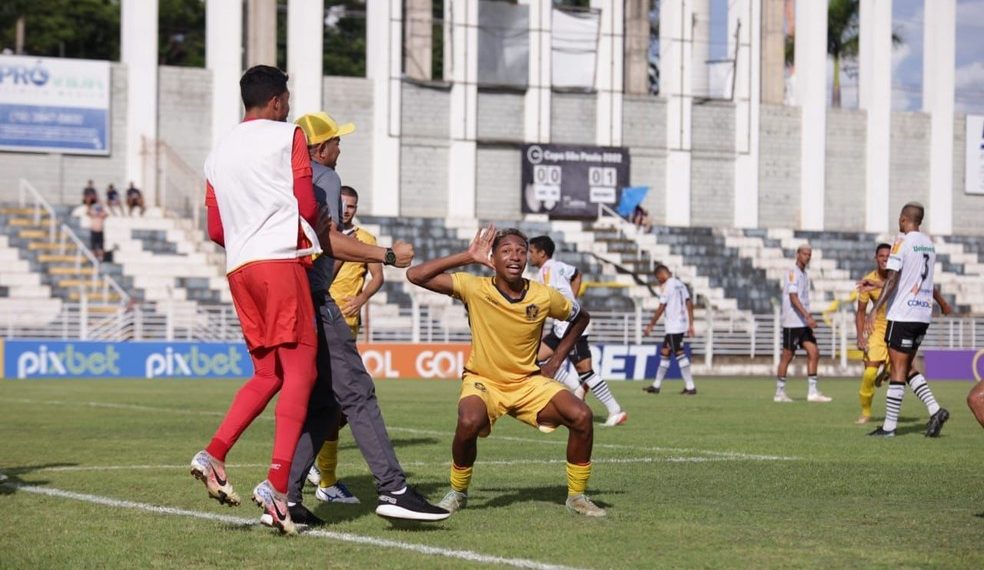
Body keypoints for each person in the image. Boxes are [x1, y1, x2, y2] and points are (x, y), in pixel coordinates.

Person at [282, 111, 449, 525]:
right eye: (337, 141)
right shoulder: (325, 178)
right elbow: (330, 241)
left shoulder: (284, 177)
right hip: (317, 302)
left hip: (289, 298)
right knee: (358, 392)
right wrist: (387, 256)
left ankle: (283, 498)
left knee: (323, 407)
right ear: (320, 148)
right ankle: (393, 489)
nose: (341, 147)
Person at [189, 65, 321, 536]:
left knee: (268, 373)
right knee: (301, 373)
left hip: (240, 268)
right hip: (280, 263)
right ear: (279, 101)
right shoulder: (290, 136)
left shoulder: (216, 154)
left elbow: (216, 230)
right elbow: (306, 206)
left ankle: (214, 454)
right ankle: (277, 486)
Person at [407, 225, 607, 517]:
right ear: (493, 258)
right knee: (468, 421)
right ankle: (458, 492)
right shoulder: (475, 287)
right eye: (506, 251)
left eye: (521, 251)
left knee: (582, 416)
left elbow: (581, 318)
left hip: (528, 383)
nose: (515, 256)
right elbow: (415, 275)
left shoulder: (543, 296)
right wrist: (467, 256)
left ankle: (577, 496)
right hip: (484, 382)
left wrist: (554, 362)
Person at [306, 184, 385, 502]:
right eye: (343, 204)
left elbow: (377, 276)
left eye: (352, 205)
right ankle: (323, 478)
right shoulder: (324, 235)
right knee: (334, 404)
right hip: (322, 321)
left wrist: (362, 298)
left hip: (348, 326)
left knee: (335, 407)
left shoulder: (367, 240)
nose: (348, 209)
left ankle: (314, 467)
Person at [862, 202, 950, 438]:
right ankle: (936, 410)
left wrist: (874, 309)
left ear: (903, 219)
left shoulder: (901, 241)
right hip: (922, 314)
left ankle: (889, 427)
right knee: (907, 366)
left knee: (898, 368)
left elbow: (892, 278)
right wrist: (940, 303)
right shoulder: (929, 244)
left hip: (903, 314)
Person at [527, 235, 627, 426]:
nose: (529, 256)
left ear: (542, 253)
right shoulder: (556, 266)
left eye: (531, 252)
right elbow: (577, 274)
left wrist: (568, 306)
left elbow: (546, 300)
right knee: (534, 358)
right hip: (562, 326)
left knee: (585, 371)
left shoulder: (547, 271)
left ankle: (616, 410)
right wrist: (573, 299)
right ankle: (576, 388)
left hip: (571, 327)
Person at [774, 244, 832, 403]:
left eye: (809, 254)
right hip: (793, 322)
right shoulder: (793, 273)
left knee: (814, 352)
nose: (807, 256)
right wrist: (808, 316)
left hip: (803, 322)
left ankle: (812, 392)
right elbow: (793, 298)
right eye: (805, 253)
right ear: (797, 254)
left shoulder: (804, 274)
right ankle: (779, 392)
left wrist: (807, 317)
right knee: (787, 355)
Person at [642, 264, 697, 395]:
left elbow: (662, 306)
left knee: (679, 354)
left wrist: (651, 324)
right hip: (680, 324)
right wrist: (690, 324)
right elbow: (689, 303)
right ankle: (656, 385)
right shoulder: (680, 284)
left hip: (674, 326)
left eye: (658, 278)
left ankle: (690, 386)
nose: (658, 281)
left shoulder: (668, 286)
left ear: (661, 274)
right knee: (665, 353)